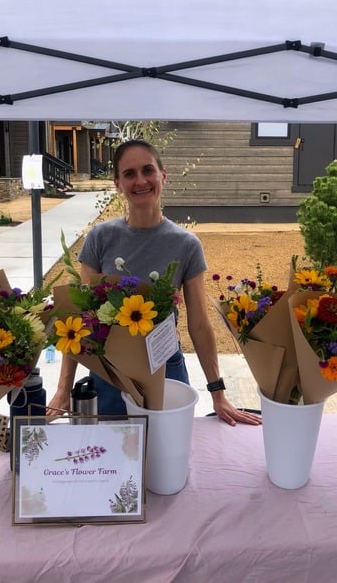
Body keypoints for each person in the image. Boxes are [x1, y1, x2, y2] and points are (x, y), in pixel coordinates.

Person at [47, 139, 261, 427]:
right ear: (117, 184)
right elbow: (80, 319)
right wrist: (63, 390)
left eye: (148, 170)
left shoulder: (186, 245)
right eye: (129, 174)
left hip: (165, 367)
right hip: (109, 372)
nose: (140, 180)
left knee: (166, 457)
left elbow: (199, 324)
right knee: (112, 463)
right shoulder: (100, 238)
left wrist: (218, 393)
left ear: (163, 175)